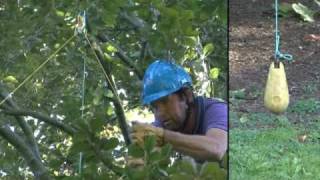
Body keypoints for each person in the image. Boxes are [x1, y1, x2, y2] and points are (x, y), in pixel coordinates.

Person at [131, 60, 228, 162]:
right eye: (154, 107)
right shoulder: (163, 124)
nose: (159, 113)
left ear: (187, 96)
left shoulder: (217, 110)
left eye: (164, 102)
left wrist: (163, 137)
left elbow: (216, 149)